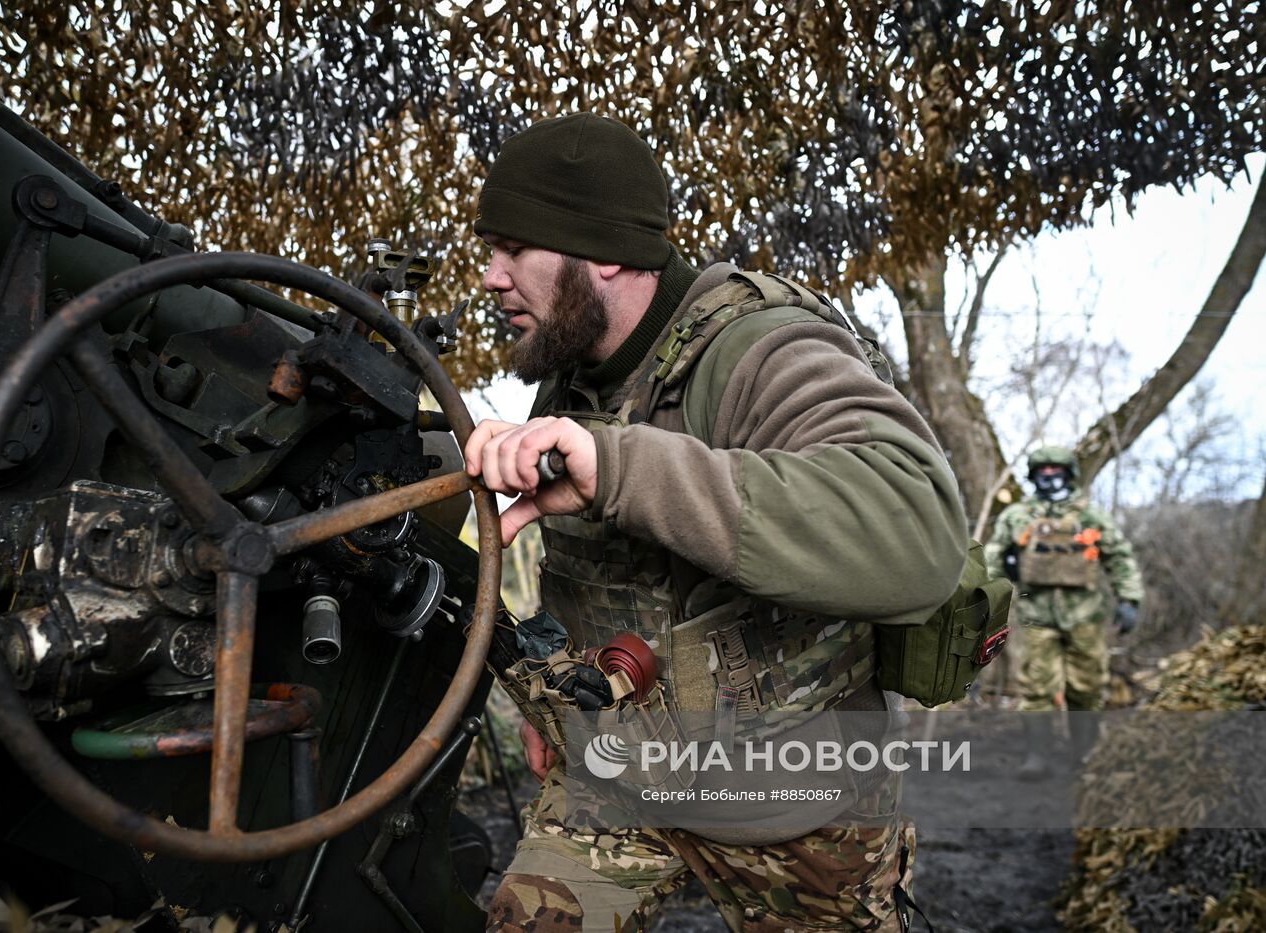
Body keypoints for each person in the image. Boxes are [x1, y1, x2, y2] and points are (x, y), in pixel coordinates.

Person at [463, 113, 968, 933]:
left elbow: (920, 526)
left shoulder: (759, 348)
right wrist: (550, 703)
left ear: (605, 252)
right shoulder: (573, 380)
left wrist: (621, 467)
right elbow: (590, 573)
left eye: (513, 248)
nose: (490, 276)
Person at [984, 445, 1144, 777]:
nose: (1049, 475)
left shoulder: (1090, 516)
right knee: (1037, 689)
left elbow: (1119, 556)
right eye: (1042, 470)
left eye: (1056, 469)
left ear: (1068, 473)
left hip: (1085, 615)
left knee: (1086, 689)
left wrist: (1129, 599)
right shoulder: (1017, 516)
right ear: (1032, 476)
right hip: (1036, 615)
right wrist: (985, 601)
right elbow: (993, 561)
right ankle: (1037, 756)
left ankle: (1084, 754)